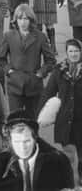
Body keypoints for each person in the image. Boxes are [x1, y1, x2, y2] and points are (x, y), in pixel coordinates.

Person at [0, 110, 74, 191]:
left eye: (27, 141)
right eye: (17, 142)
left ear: (35, 138)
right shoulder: (1, 162)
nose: (22, 148)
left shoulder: (58, 161)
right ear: (10, 141)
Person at [0, 4, 56, 117]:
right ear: (15, 20)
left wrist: (40, 73)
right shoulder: (8, 36)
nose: (22, 22)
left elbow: (51, 60)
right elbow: (0, 59)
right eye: (20, 19)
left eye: (25, 19)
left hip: (34, 85)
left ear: (31, 20)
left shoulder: (40, 36)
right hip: (15, 85)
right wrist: (9, 71)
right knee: (15, 121)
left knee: (33, 121)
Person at [38, 38, 82, 180]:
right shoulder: (59, 71)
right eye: (71, 51)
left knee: (81, 159)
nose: (74, 54)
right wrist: (38, 115)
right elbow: (48, 93)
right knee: (69, 158)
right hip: (65, 122)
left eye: (77, 51)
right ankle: (72, 184)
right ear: (66, 53)